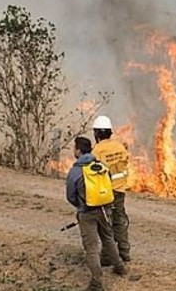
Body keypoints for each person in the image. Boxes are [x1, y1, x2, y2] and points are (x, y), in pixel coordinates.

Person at [67, 136, 125, 291]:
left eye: (75, 148)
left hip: (87, 213)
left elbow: (70, 196)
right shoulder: (101, 165)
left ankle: (96, 283)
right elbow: (109, 183)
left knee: (91, 248)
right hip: (105, 210)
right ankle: (120, 267)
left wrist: (81, 206)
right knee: (108, 239)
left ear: (78, 150)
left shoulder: (75, 171)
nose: (74, 150)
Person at [91, 115, 133, 265]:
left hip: (106, 192)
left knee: (106, 224)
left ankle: (107, 256)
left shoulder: (97, 150)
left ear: (96, 133)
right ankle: (124, 251)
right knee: (120, 221)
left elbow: (93, 172)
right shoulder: (119, 146)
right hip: (120, 190)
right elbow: (125, 163)